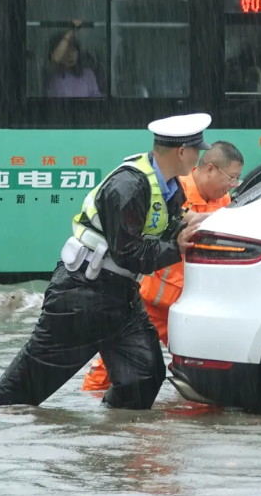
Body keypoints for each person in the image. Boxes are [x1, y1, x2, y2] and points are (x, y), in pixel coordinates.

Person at [0, 113, 214, 410]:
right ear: (182, 152)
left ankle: (109, 445)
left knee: (144, 376)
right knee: (18, 395)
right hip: (81, 295)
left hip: (121, 297)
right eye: (198, 150)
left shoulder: (170, 186)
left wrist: (216, 220)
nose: (199, 156)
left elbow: (174, 222)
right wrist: (176, 248)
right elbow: (128, 253)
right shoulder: (128, 186)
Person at [82, 141, 245, 391]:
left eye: (236, 179)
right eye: (231, 177)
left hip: (191, 307)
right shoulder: (173, 193)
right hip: (153, 303)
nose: (232, 185)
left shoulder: (224, 202)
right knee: (108, 368)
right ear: (210, 169)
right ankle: (95, 412)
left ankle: (194, 421)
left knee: (202, 372)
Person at [44, 19, 103, 98]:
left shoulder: (88, 74)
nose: (70, 54)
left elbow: (96, 99)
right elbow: (55, 60)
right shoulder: (52, 73)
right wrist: (71, 31)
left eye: (73, 49)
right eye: (66, 51)